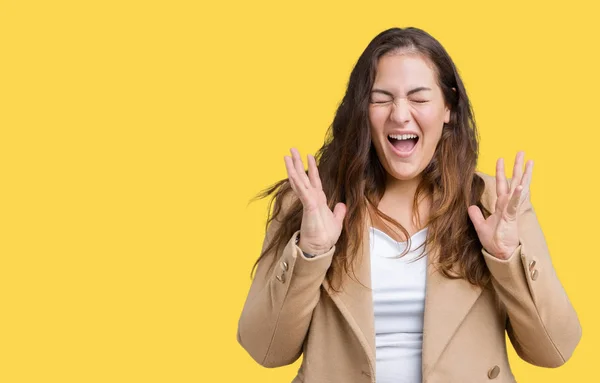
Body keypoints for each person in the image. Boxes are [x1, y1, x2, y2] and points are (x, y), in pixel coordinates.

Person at [236, 27, 581, 383]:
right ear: (362, 111)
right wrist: (310, 254)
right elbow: (267, 351)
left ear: (448, 107)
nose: (400, 115)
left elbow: (555, 350)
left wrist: (507, 259)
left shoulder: (496, 205)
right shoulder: (309, 203)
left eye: (418, 98)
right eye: (381, 98)